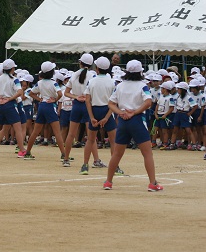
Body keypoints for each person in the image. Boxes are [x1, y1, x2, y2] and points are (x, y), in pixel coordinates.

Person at [105, 60, 163, 191]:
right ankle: (152, 183)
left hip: (123, 120)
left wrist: (121, 112)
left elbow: (111, 103)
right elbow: (148, 102)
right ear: (140, 72)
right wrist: (135, 112)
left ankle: (108, 181)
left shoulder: (120, 85)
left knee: (117, 154)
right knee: (147, 153)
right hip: (137, 120)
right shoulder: (142, 85)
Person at [80, 57, 118, 175]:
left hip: (94, 110)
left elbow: (87, 100)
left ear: (97, 68)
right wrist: (107, 117)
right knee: (113, 141)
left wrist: (91, 116)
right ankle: (115, 167)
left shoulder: (92, 81)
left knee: (90, 140)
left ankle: (85, 166)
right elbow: (114, 101)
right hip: (107, 110)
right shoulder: (112, 82)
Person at [23, 61, 66, 162]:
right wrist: (55, 100)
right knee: (57, 132)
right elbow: (60, 94)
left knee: (35, 131)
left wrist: (39, 99)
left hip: (42, 106)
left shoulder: (39, 83)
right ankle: (64, 154)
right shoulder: (54, 83)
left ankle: (28, 152)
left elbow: (31, 93)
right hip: (50, 106)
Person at [0, 59, 27, 158]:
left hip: (0, 104)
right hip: (10, 104)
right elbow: (20, 92)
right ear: (12, 68)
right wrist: (10, 98)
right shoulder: (13, 79)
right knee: (18, 128)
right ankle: (22, 150)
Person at [63, 53, 94, 167]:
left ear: (80, 63)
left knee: (71, 133)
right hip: (87, 105)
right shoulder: (92, 75)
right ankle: (96, 160)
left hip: (76, 104)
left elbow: (66, 92)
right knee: (91, 135)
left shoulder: (74, 75)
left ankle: (66, 159)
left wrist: (76, 97)